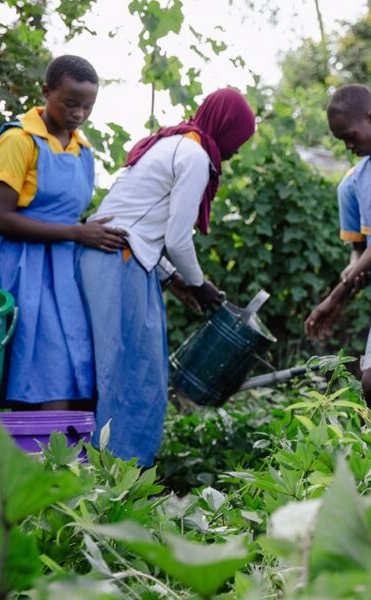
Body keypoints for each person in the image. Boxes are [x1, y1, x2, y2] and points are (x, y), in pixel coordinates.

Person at [79, 88, 254, 466]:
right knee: (129, 374)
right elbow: (175, 238)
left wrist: (173, 278)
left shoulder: (175, 143)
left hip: (116, 258)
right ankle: (115, 471)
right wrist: (199, 284)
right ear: (225, 128)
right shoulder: (193, 155)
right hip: (117, 260)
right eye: (238, 141)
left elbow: (142, 223)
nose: (235, 151)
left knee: (118, 369)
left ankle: (101, 467)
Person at [0, 55, 121, 411]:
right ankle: (44, 461)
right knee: (46, 376)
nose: (79, 114)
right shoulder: (19, 140)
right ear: (46, 92)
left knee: (69, 369)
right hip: (20, 267)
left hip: (63, 271)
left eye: (88, 106)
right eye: (70, 103)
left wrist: (85, 232)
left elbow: (73, 217)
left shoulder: (83, 151)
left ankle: (48, 460)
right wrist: (76, 233)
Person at [304, 85, 371, 425]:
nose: (348, 147)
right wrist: (336, 297)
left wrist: (336, 296)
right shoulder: (360, 177)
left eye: (350, 137)